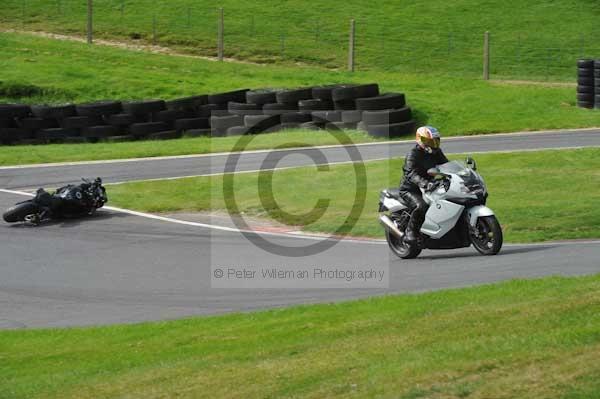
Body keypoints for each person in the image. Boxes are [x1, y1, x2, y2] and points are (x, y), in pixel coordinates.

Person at [398, 126, 449, 242]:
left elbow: (446, 165)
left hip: (430, 186)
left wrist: (456, 174)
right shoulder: (413, 154)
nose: (433, 144)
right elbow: (410, 173)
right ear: (420, 140)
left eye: (435, 141)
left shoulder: (436, 152)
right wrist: (425, 184)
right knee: (422, 206)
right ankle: (410, 232)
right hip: (410, 189)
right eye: (430, 141)